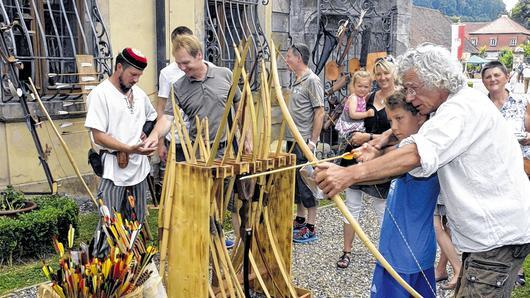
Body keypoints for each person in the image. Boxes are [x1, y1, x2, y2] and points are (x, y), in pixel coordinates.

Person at [315, 43, 530, 297]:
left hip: (497, 238)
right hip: (490, 239)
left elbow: (417, 153)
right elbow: (411, 145)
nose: (408, 97)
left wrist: (348, 175)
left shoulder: (459, 109)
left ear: (437, 80)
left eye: (413, 88)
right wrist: (378, 147)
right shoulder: (450, 107)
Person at [144, 34, 241, 247]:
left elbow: (240, 105)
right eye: (178, 63)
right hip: (199, 155)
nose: (182, 68)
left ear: (200, 55)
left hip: (227, 152)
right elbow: (167, 118)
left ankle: (239, 248)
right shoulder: (178, 87)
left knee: (232, 202)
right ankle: (206, 245)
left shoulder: (224, 75)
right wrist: (154, 137)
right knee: (202, 203)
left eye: (185, 62)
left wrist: (247, 138)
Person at [85, 48, 157, 256]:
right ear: (119, 68)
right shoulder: (100, 94)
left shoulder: (140, 94)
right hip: (113, 170)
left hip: (138, 170)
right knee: (109, 224)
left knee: (137, 222)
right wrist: (127, 148)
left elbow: (151, 118)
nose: (136, 79)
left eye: (139, 75)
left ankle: (133, 268)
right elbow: (98, 136)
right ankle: (104, 268)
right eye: (132, 74)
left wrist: (145, 133)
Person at [369, 91, 438, 298]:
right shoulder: (408, 147)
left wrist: (345, 175)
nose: (394, 127)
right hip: (412, 250)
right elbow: (384, 164)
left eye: (399, 119)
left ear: (420, 117)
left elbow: (384, 171)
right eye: (391, 121)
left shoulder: (421, 154)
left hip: (403, 255)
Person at [336, 58, 396, 268]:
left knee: (382, 207)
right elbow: (352, 119)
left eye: (385, 73)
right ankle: (346, 251)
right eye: (378, 74)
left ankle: (388, 254)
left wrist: (368, 137)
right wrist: (354, 135)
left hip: (381, 159)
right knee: (351, 206)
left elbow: (399, 134)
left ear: (393, 73)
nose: (382, 78)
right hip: (356, 155)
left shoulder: (400, 99)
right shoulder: (368, 96)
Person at [481, 60, 530, 286]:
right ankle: (499, 263)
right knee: (499, 217)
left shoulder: (521, 101)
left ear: (507, 77)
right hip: (492, 169)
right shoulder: (482, 106)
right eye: (488, 76)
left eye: (496, 75)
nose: (492, 79)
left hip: (520, 165)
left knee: (520, 217)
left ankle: (517, 268)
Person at [284, 43, 324, 243]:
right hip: (292, 140)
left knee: (307, 182)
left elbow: (319, 111)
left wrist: (312, 142)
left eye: (289, 56)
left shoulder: (312, 80)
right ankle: (300, 220)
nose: (286, 59)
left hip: (303, 141)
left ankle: (311, 227)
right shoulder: (297, 80)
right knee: (296, 183)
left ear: (298, 57)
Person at [156, 26, 193, 163]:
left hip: (201, 138)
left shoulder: (208, 68)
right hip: (177, 139)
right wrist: (160, 143)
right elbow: (161, 108)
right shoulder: (167, 73)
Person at [433, 195, 461, 290]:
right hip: (441, 187)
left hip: (438, 185)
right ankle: (441, 269)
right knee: (446, 225)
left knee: (437, 225)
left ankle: (458, 269)